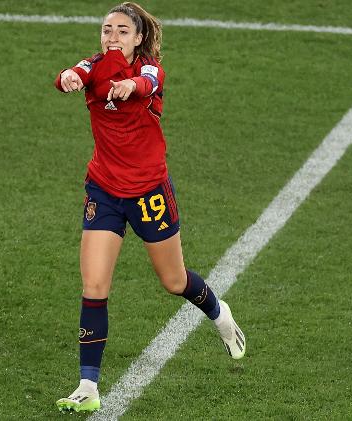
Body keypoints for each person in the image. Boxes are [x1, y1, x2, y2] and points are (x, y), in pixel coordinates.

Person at [53, 2, 246, 413]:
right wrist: (67, 78)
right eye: (107, 30)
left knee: (174, 281)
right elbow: (71, 75)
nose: (112, 37)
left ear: (139, 37)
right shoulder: (93, 66)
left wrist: (129, 87)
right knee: (94, 286)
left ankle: (218, 312)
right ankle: (88, 385)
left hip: (149, 193)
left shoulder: (150, 69)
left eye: (122, 31)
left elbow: (145, 84)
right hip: (104, 190)